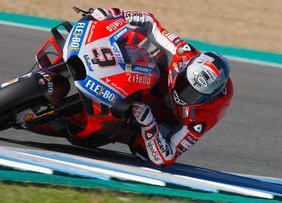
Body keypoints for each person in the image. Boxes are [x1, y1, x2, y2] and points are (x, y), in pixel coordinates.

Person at [89, 8, 234, 166]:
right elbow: (150, 22)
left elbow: (166, 157)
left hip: (165, 114)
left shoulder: (202, 118)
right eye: (185, 84)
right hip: (157, 80)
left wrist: (149, 124)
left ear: (208, 98)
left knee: (146, 153)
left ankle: (121, 131)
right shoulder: (184, 53)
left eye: (194, 94)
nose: (183, 94)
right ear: (187, 68)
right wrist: (114, 14)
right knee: (138, 37)